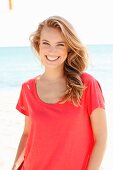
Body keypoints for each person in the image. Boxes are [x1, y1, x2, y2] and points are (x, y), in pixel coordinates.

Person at [12, 16, 107, 170]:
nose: (51, 50)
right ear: (38, 46)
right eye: (46, 43)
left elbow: (101, 138)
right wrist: (15, 165)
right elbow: (27, 134)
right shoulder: (27, 88)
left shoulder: (86, 85)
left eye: (60, 44)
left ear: (68, 48)